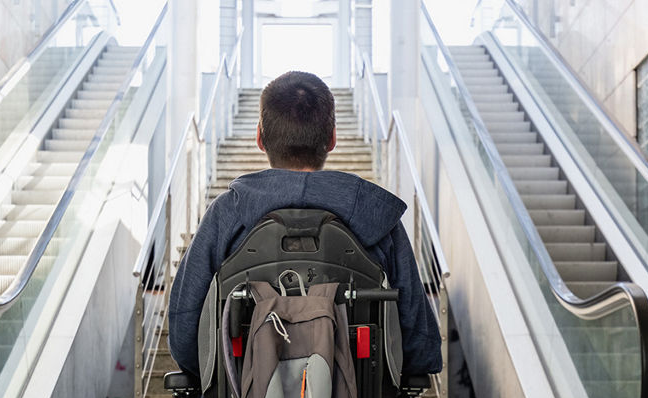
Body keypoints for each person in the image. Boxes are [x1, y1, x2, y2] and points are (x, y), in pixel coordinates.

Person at [167, 70, 443, 381]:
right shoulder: (376, 217)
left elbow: (185, 333)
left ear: (260, 137)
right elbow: (419, 341)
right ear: (333, 138)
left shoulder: (226, 214)